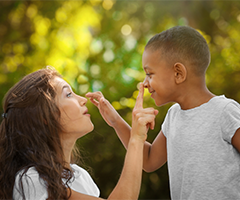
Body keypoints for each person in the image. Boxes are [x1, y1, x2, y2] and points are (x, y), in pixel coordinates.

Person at [87, 26, 240, 199]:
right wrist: (115, 121)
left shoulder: (224, 112)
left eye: (149, 74)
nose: (144, 83)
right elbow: (149, 160)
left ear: (178, 73)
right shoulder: (174, 116)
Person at [0, 67, 158, 200]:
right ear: (44, 117)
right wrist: (136, 138)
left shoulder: (80, 176)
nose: (83, 99)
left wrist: (117, 122)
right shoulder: (32, 180)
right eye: (68, 94)